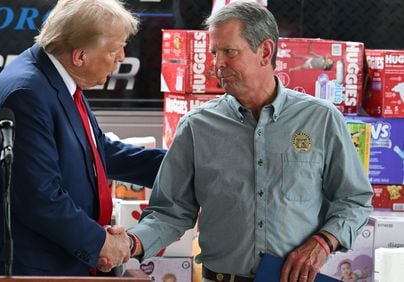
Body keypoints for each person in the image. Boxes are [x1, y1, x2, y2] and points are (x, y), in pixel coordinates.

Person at [127, 2, 373, 282]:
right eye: (214, 53)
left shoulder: (321, 119)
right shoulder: (196, 127)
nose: (218, 64)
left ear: (265, 52)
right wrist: (131, 243)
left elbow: (354, 199)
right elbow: (169, 212)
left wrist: (323, 242)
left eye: (229, 51)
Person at [0, 0, 166, 276]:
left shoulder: (54, 78)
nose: (122, 56)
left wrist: (182, 167)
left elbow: (98, 152)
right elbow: (40, 198)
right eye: (114, 49)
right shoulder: (26, 93)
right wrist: (101, 244)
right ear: (80, 56)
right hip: (15, 267)